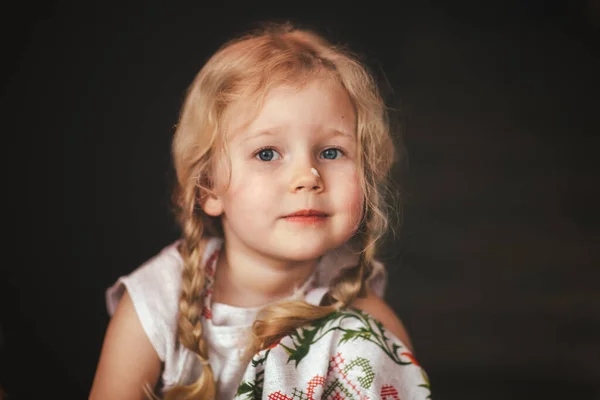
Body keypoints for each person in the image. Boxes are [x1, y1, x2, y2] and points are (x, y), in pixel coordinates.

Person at [89, 22, 432, 400]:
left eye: (331, 152)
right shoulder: (155, 307)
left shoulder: (367, 329)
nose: (307, 176)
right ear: (208, 187)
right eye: (267, 153)